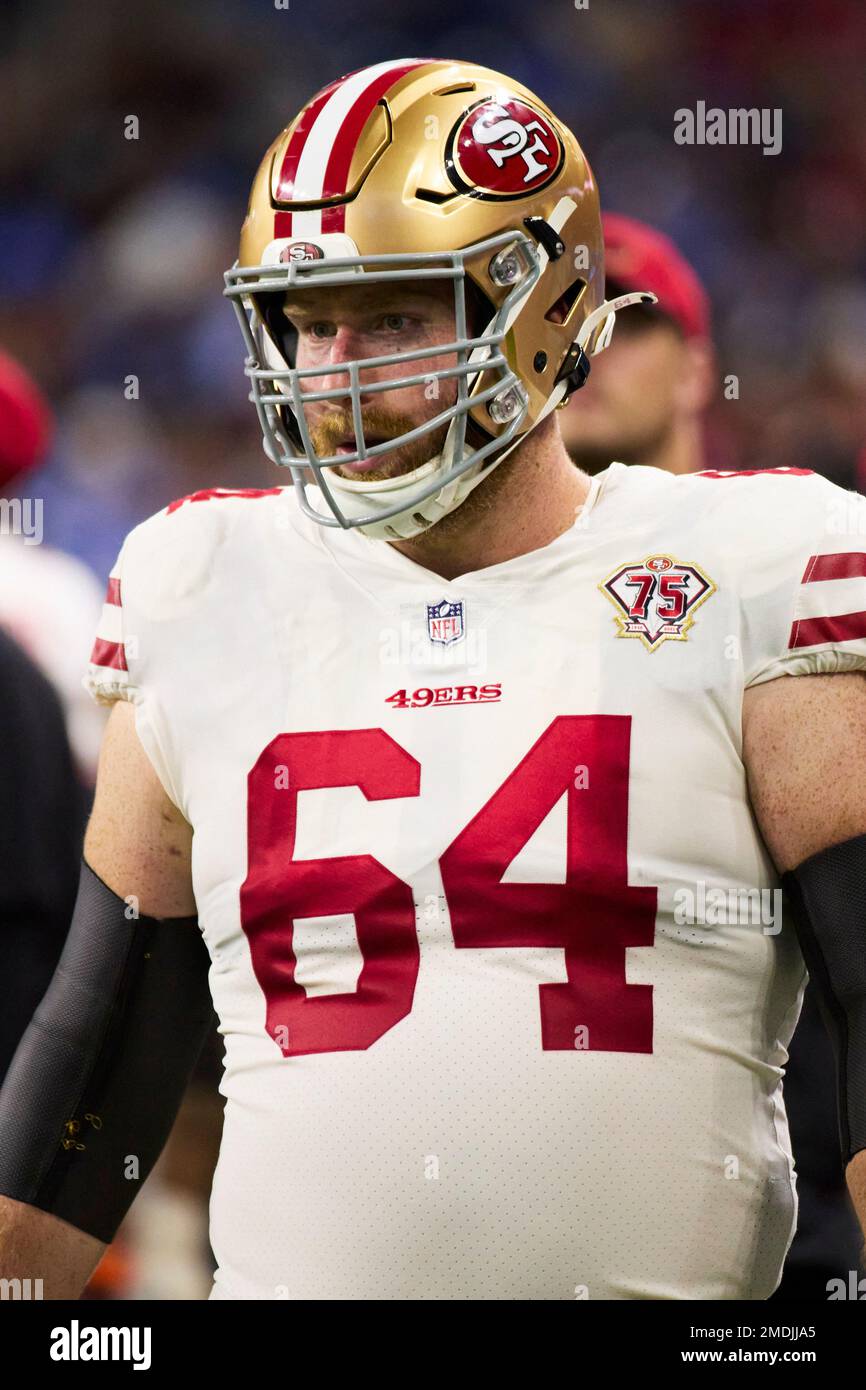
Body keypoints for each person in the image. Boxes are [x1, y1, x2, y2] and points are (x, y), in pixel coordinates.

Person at [1, 58, 865, 1301]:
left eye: (395, 317)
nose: (335, 373)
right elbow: (103, 1046)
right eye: (307, 321)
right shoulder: (203, 579)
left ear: (543, 311)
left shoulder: (749, 566)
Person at [559, 213, 715, 476]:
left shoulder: (768, 513)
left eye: (622, 327)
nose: (581, 350)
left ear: (693, 374)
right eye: (560, 323)